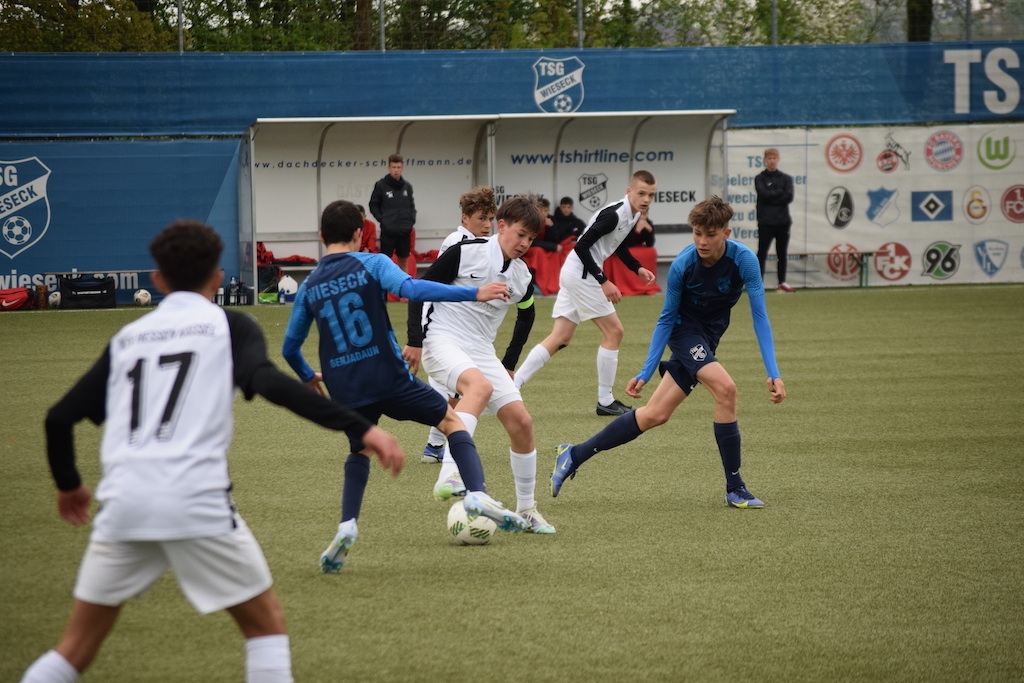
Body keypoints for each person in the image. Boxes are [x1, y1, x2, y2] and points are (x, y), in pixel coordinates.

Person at [21, 220, 404, 683]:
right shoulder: (230, 325)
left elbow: (58, 418)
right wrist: (363, 428)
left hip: (124, 502)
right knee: (265, 628)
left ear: (157, 280)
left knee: (75, 649)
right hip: (194, 499)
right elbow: (270, 384)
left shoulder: (128, 338)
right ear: (218, 277)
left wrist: (69, 485)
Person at [282, 200, 529, 573]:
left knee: (359, 451)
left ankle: (347, 525)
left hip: (345, 386)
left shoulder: (310, 285)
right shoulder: (374, 263)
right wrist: (473, 292)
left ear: (320, 236)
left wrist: (307, 375)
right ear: (358, 234)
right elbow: (412, 290)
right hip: (388, 375)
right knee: (452, 422)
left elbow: (289, 348)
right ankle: (476, 494)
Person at [551, 197, 786, 508]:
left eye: (711, 234)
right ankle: (735, 488)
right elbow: (665, 320)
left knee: (654, 414)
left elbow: (760, 317)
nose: (702, 241)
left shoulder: (745, 261)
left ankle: (573, 454)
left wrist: (773, 372)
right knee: (726, 390)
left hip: (709, 338)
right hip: (684, 333)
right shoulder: (683, 265)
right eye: (697, 233)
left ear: (726, 234)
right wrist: (646, 371)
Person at [404, 195, 554, 534]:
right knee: (479, 388)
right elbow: (417, 290)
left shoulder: (522, 276)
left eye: (531, 238)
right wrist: (415, 340)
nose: (525, 243)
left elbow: (527, 314)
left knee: (522, 422)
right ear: (501, 226)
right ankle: (449, 475)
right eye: (520, 234)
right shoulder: (465, 251)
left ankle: (527, 511)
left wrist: (510, 362)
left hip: (481, 351)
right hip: (442, 339)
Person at [514, 170, 658, 417]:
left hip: (576, 274)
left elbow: (618, 245)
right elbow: (581, 246)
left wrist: (637, 268)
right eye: (642, 193)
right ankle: (605, 400)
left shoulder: (633, 214)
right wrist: (603, 281)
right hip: (582, 275)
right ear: (629, 191)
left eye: (651, 195)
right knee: (614, 331)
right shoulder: (614, 215)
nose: (646, 199)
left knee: (560, 337)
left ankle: (512, 386)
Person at [420, 186, 497, 464]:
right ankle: (441, 446)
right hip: (443, 326)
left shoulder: (483, 244)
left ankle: (435, 445)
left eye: (491, 219)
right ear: (465, 218)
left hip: (462, 328)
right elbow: (433, 286)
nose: (487, 225)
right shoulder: (457, 242)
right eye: (481, 218)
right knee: (463, 389)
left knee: (458, 391)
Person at [754, 147, 795, 293]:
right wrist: (779, 192)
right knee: (762, 253)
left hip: (783, 222)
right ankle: (758, 283)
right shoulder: (760, 178)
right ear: (765, 160)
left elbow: (788, 197)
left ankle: (782, 282)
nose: (772, 161)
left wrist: (773, 195)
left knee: (782, 253)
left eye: (774, 158)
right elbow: (763, 194)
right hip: (765, 222)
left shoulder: (786, 178)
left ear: (778, 159)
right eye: (769, 158)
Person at [369, 154, 416, 274]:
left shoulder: (407, 186)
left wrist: (411, 221)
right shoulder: (381, 185)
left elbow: (411, 206)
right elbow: (373, 205)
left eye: (398, 167)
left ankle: (403, 285)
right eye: (394, 167)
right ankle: (385, 286)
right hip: (388, 231)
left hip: (404, 230)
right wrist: (383, 220)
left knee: (404, 261)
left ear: (402, 168)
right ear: (389, 168)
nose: (396, 170)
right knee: (385, 262)